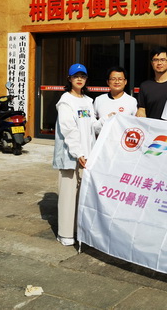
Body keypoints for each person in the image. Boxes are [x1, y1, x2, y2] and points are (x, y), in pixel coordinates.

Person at [52, 63, 96, 247]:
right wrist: (78, 152)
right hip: (71, 154)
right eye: (76, 76)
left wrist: (108, 120)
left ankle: (77, 229)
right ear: (69, 79)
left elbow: (93, 125)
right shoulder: (65, 101)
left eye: (82, 76)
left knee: (82, 195)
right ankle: (65, 233)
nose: (79, 79)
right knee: (68, 195)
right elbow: (68, 129)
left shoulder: (88, 101)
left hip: (87, 154)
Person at [136, 46, 167, 119]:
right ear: (151, 63)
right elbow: (142, 109)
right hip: (151, 126)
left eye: (162, 60)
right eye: (156, 60)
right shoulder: (145, 86)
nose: (159, 63)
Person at [94, 66, 137, 135]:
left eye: (120, 79)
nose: (117, 82)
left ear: (125, 82)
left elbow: (136, 125)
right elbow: (93, 126)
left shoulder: (132, 101)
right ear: (108, 82)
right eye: (113, 79)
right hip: (103, 140)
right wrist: (107, 118)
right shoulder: (99, 100)